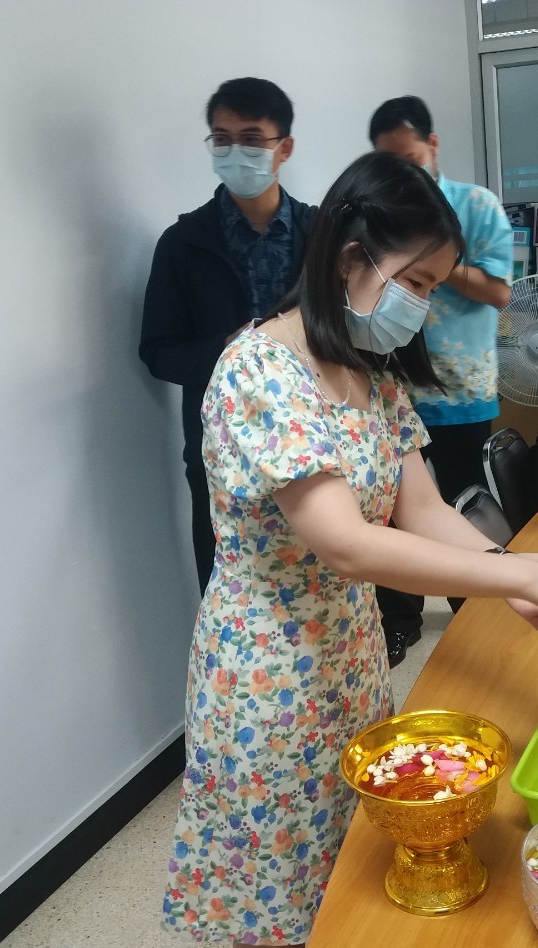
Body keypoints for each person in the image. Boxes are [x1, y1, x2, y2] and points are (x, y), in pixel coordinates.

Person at [161, 151, 538, 948]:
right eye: (416, 282)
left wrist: (522, 575)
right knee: (278, 907)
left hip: (347, 662)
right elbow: (347, 545)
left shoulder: (370, 373)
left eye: (433, 286)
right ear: (351, 257)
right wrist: (520, 575)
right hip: (268, 683)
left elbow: (420, 509)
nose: (422, 305)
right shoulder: (259, 371)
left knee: (351, 882)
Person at [140, 77, 316, 593]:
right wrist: (225, 349)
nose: (235, 151)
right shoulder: (182, 244)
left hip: (315, 437)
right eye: (222, 138)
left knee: (324, 577)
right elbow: (158, 352)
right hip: (221, 448)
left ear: (284, 148)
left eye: (252, 138)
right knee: (227, 590)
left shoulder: (323, 235)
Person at [368, 95, 515, 666]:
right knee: (389, 510)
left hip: (461, 389)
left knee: (462, 502)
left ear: (432, 146)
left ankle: (471, 613)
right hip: (392, 389)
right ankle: (400, 621)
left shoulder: (476, 206)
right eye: (388, 163)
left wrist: (435, 260)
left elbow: (500, 292)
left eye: (408, 159)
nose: (401, 173)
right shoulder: (381, 211)